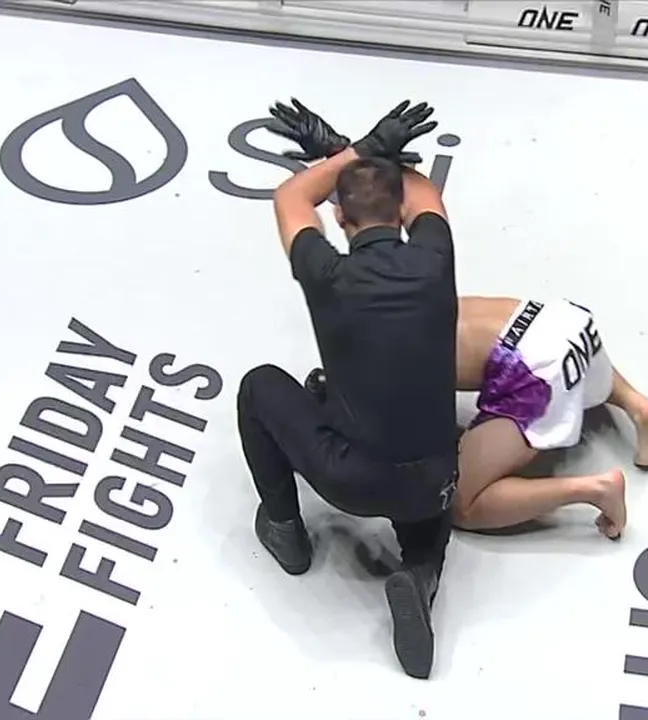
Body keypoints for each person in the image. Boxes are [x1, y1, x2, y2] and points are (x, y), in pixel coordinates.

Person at [236, 98, 458, 680]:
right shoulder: (436, 259)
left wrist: (352, 150)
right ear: (401, 213)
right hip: (433, 480)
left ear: (338, 218)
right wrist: (376, 157)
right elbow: (424, 196)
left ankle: (285, 530)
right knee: (430, 519)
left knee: (260, 387)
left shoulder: (327, 273)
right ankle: (420, 573)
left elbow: (290, 198)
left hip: (351, 478)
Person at [306, 296, 648, 540]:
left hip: (533, 374)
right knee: (560, 353)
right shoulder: (413, 296)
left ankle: (593, 490)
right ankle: (636, 404)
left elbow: (413, 436)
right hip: (561, 320)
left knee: (459, 502)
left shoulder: (382, 368)